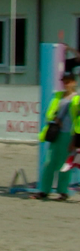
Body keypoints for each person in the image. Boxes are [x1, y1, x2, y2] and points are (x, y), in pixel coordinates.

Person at [32, 71, 80, 201]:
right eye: (64, 81)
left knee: (64, 164)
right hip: (56, 133)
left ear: (74, 82)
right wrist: (55, 118)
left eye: (69, 81)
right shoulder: (57, 96)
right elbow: (49, 113)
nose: (66, 84)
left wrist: (75, 140)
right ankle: (44, 190)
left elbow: (78, 120)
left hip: (68, 135)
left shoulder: (77, 99)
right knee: (49, 162)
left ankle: (63, 191)